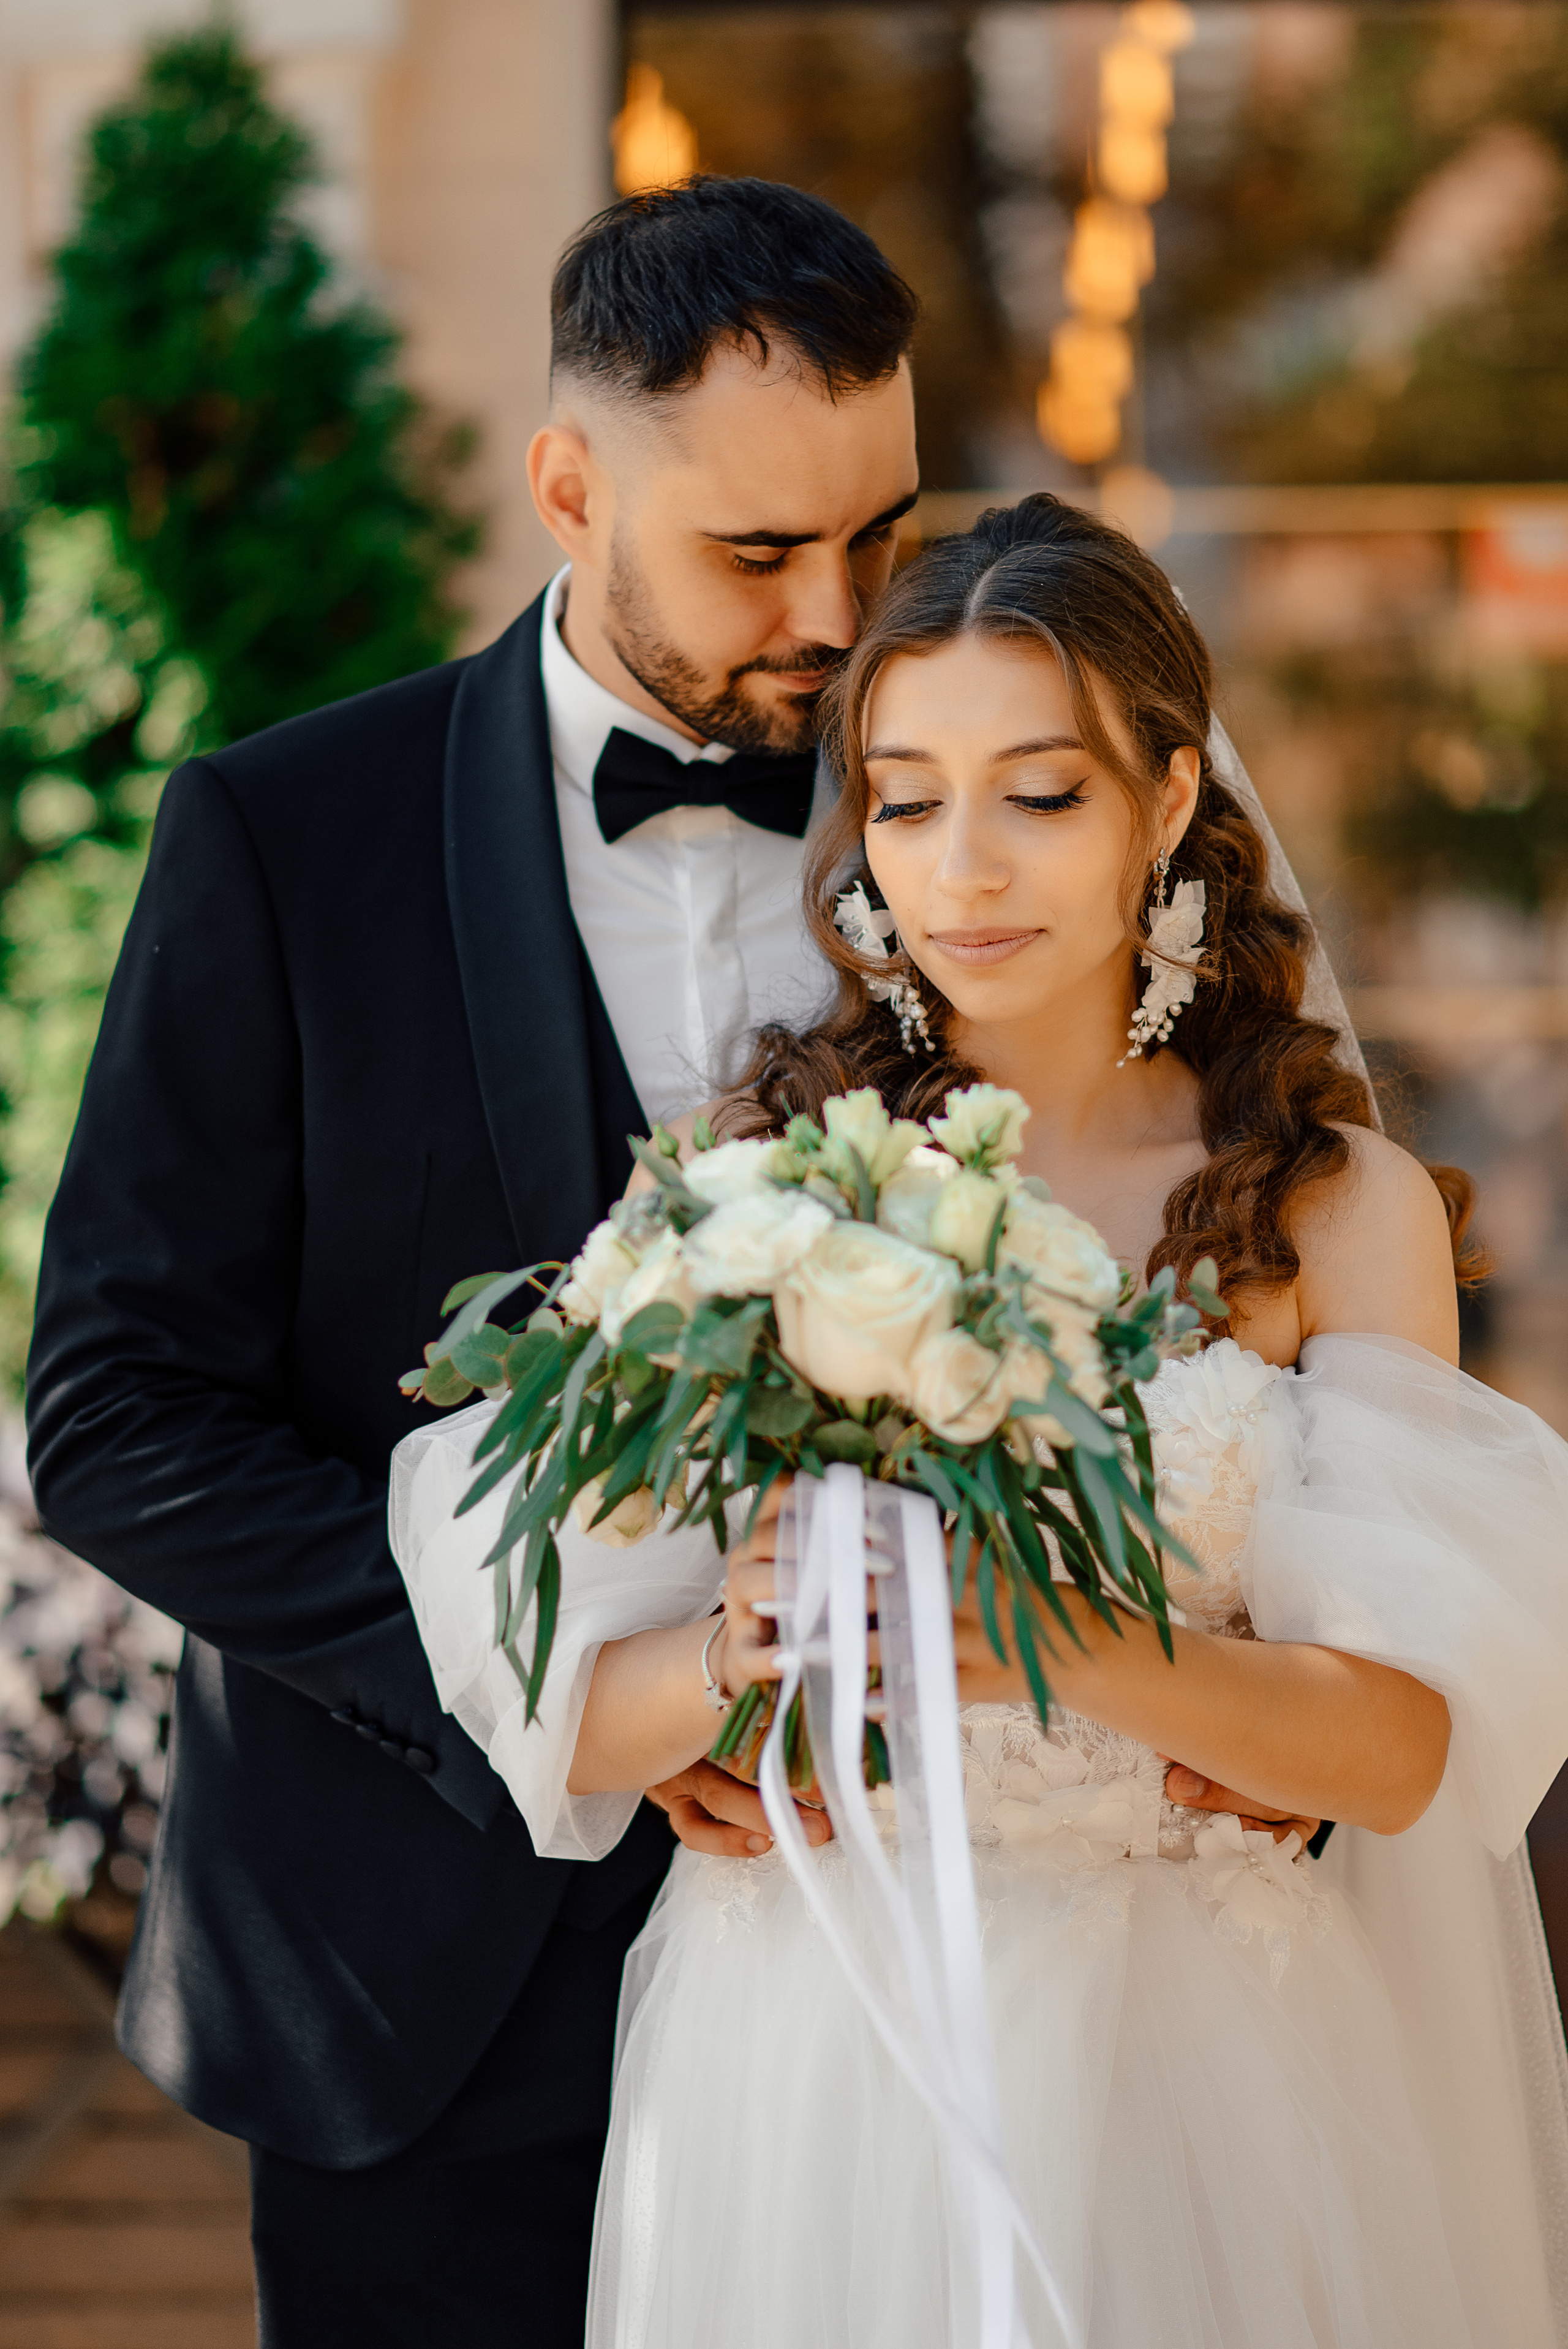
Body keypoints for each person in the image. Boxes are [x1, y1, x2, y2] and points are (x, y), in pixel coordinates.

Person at [395, 494, 1568, 2345]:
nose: (964, 867)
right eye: (908, 797)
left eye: (1042, 792)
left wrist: (1066, 1639)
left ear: (1170, 799)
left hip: (1221, 2060)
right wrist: (738, 1643)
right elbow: (570, 1712)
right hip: (822, 2044)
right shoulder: (750, 1181)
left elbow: (1409, 1747)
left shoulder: (1334, 1205)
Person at [23, 176, 924, 2347]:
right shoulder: (280, 837)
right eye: (755, 550)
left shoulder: (971, 807)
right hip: (416, 1980)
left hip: (901, 1952)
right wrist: (563, 1701)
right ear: (566, 484)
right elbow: (124, 1417)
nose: (837, 612)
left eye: (879, 536)